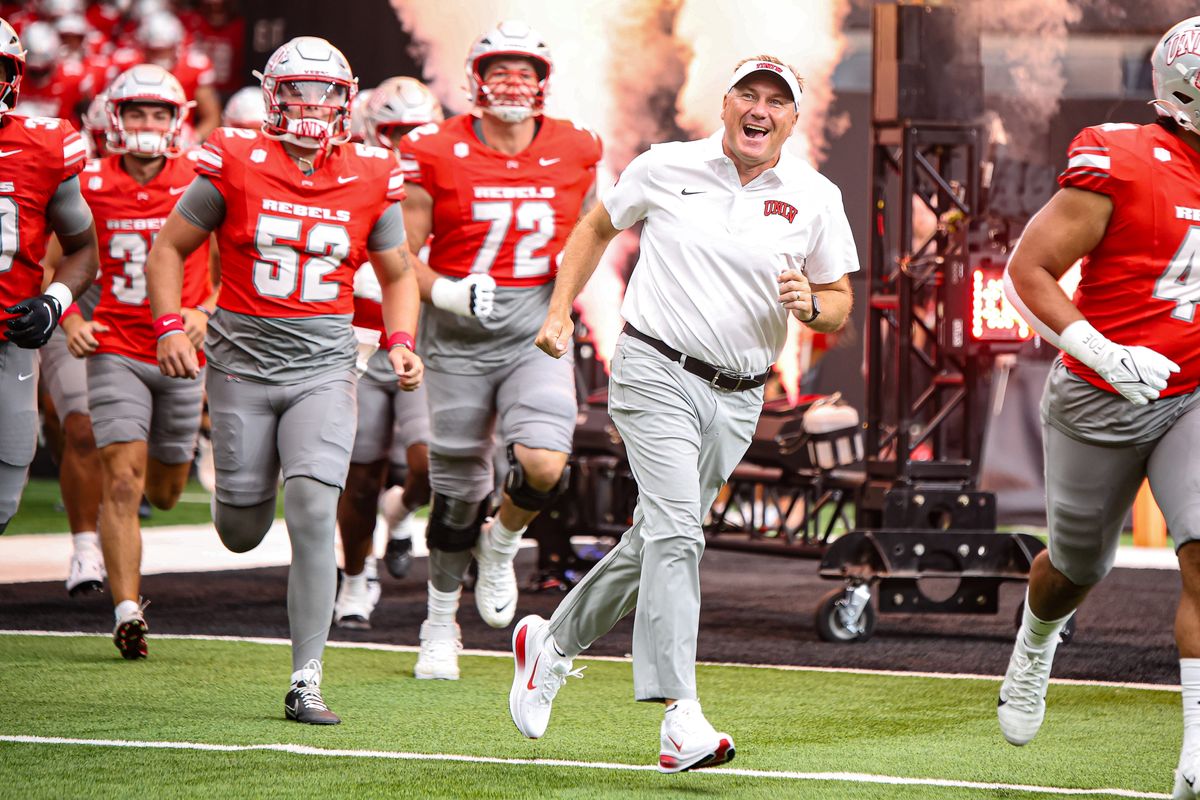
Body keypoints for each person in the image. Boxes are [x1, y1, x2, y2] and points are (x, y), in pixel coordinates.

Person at [510, 55, 858, 772]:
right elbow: (593, 230)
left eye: (777, 102)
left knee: (654, 542)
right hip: (654, 370)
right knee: (677, 534)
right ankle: (680, 717)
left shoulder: (817, 195)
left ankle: (551, 643)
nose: (760, 111)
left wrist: (813, 306)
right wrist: (555, 313)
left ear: (795, 118)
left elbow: (841, 300)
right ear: (725, 105)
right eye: (748, 97)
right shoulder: (665, 165)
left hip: (740, 396)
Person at [145, 36, 422, 725]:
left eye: (326, 93)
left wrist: (400, 340)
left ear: (346, 101)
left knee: (309, 512)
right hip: (240, 362)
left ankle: (306, 677)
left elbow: (397, 274)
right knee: (241, 529)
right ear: (273, 95)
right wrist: (171, 326)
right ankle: (241, 476)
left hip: (324, 366)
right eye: (298, 90)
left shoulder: (371, 170)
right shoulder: (236, 158)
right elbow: (168, 250)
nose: (312, 104)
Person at [999, 18, 1200, 798]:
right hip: (1099, 397)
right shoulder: (1124, 159)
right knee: (1075, 568)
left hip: (1189, 394)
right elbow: (1029, 269)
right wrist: (1104, 352)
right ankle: (1037, 637)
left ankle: (1194, 749)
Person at [397, 19, 599, 680]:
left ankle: (504, 540)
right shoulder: (434, 148)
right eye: (500, 70)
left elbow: (590, 239)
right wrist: (449, 294)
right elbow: (400, 257)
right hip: (454, 340)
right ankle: (437, 623)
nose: (513, 82)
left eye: (526, 71)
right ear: (476, 81)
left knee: (543, 464)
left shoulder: (575, 147)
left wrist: (562, 305)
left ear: (543, 82)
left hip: (533, 330)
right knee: (455, 496)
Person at [61, 64, 213, 658]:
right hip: (118, 347)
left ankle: (181, 454)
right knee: (122, 481)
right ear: (114, 119)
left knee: (168, 490)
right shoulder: (90, 181)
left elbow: (233, 268)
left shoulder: (203, 177)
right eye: (136, 112)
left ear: (177, 122)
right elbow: (58, 260)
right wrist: (71, 318)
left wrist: (207, 310)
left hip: (181, 352)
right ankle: (128, 610)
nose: (147, 124)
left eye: (158, 113)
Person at [333, 76, 440, 630]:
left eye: (418, 131)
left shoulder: (443, 181)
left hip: (422, 347)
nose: (408, 143)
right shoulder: (352, 175)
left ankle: (400, 515)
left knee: (427, 468)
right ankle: (354, 577)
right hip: (358, 345)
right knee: (360, 475)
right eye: (397, 131)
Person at [0, 17, 99, 534]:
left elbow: (84, 249)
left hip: (9, 339)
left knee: (4, 496)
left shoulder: (43, 147)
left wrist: (53, 302)